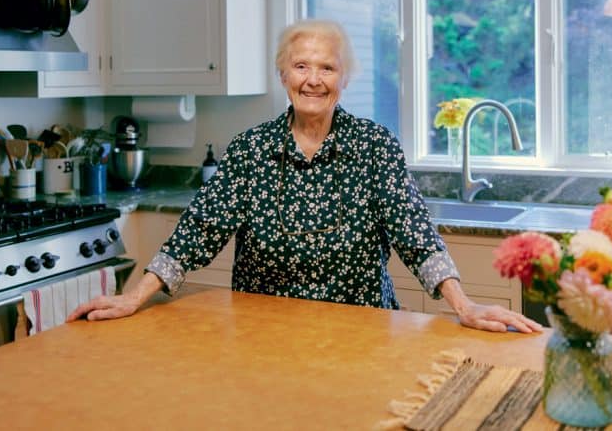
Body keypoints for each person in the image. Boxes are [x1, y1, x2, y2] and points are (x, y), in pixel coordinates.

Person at [68, 19, 541, 334]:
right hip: (263, 336)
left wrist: (465, 306)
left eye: (327, 67)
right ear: (283, 75)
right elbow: (198, 231)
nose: (313, 79)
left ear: (344, 79)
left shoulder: (374, 147)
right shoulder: (251, 150)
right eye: (301, 66)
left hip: (363, 334)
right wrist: (134, 297)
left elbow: (415, 234)